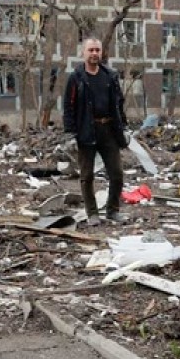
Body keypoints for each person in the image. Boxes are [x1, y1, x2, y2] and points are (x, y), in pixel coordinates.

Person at [63, 37, 130, 226]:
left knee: (116, 173)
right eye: (91, 50)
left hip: (109, 130)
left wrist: (123, 127)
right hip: (86, 131)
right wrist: (70, 133)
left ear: (101, 53)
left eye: (97, 50)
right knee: (87, 175)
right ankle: (92, 213)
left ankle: (113, 210)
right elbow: (68, 107)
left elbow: (119, 103)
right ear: (83, 52)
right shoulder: (76, 78)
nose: (94, 54)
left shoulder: (110, 76)